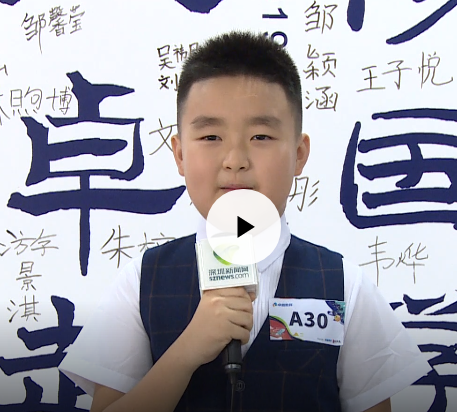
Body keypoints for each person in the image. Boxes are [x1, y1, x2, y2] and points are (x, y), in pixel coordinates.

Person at [58, 31, 431, 412]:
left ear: (299, 154)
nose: (235, 159)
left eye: (261, 136)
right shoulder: (143, 280)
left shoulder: (344, 285)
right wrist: (187, 351)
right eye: (211, 137)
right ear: (180, 155)